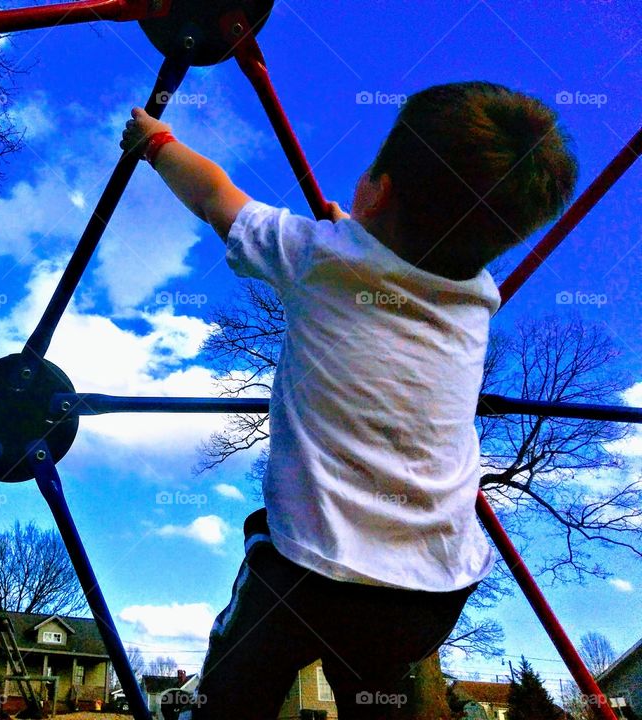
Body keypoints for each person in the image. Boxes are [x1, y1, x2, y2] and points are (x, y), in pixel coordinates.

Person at [119, 81, 578, 719]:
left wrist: (157, 142)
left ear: (379, 190)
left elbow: (215, 198)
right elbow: (409, 261)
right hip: (435, 592)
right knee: (374, 684)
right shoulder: (477, 297)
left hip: (312, 577)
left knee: (238, 673)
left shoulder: (316, 256)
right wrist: (362, 239)